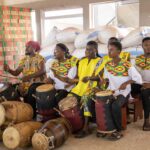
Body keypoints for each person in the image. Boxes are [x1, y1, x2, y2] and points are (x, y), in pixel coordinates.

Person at [100, 41, 142, 140]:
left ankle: (119, 130)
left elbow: (137, 78)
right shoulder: (108, 64)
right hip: (112, 91)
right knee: (104, 104)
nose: (109, 52)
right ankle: (109, 128)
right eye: (108, 50)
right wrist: (103, 81)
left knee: (115, 105)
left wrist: (125, 83)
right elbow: (106, 79)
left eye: (111, 50)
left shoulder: (127, 64)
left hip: (124, 92)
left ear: (119, 51)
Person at [66, 41, 104, 138]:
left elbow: (100, 77)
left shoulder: (100, 61)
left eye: (89, 49)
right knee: (68, 99)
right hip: (79, 87)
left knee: (85, 98)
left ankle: (86, 128)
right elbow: (79, 76)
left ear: (95, 50)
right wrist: (70, 81)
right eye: (86, 49)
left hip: (92, 87)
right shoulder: (82, 61)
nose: (86, 51)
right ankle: (75, 124)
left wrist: (89, 78)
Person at [4, 41, 46, 117]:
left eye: (28, 47)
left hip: (37, 83)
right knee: (12, 89)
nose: (26, 48)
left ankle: (31, 114)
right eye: (26, 47)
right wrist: (8, 69)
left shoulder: (39, 58)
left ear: (34, 48)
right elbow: (16, 73)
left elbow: (42, 70)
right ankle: (18, 112)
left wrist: (29, 76)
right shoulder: (23, 60)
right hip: (26, 84)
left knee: (31, 89)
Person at [134, 37, 150, 131]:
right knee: (129, 85)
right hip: (142, 83)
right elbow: (135, 74)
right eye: (146, 45)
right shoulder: (138, 58)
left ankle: (146, 120)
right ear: (142, 46)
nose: (148, 47)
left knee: (145, 93)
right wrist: (142, 84)